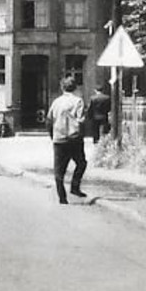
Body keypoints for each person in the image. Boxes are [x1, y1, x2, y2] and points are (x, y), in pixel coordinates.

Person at [48, 75, 89, 203]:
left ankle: (62, 197)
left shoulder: (56, 102)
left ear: (62, 88)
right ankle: (74, 187)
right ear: (75, 87)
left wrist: (52, 135)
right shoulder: (78, 101)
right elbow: (81, 120)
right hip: (74, 139)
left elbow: (49, 120)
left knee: (59, 170)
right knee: (81, 163)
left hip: (59, 139)